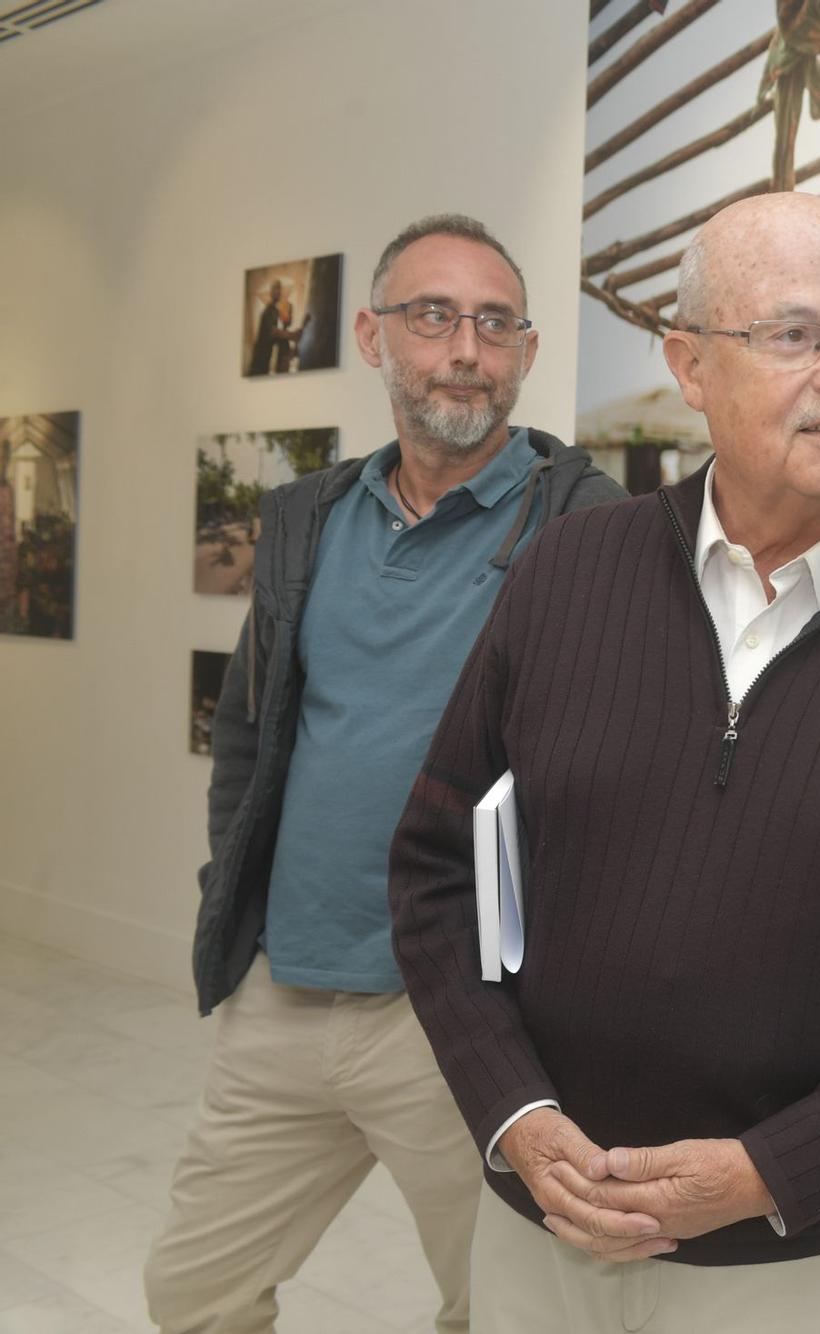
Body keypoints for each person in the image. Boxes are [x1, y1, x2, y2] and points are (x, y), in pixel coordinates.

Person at [387, 192, 820, 1334]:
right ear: (691, 365)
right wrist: (511, 1110)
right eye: (795, 334)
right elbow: (435, 867)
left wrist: (770, 1169)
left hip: (811, 1256)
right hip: (544, 1225)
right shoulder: (565, 576)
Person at [144, 214, 624, 1334]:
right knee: (194, 1290)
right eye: (433, 316)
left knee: (503, 1307)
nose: (466, 347)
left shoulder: (585, 528)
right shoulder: (305, 518)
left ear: (527, 351)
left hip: (455, 1010)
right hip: (287, 989)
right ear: (372, 334)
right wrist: (242, 895)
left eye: (494, 322)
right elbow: (253, 736)